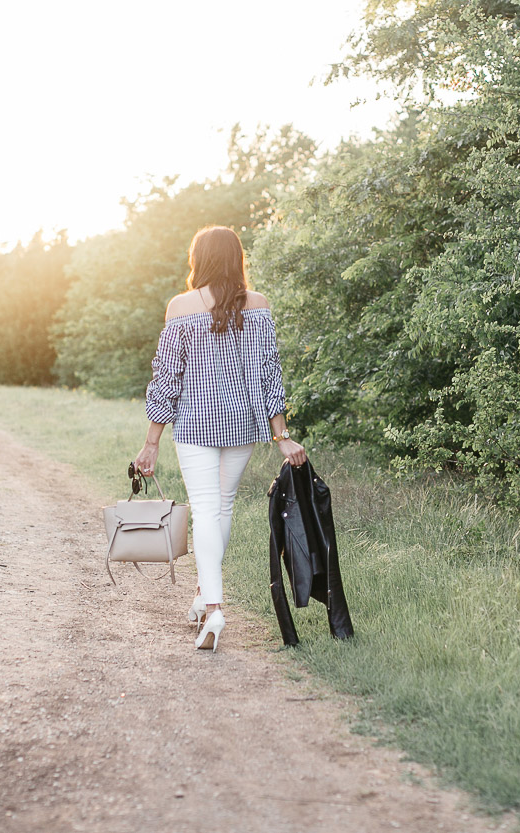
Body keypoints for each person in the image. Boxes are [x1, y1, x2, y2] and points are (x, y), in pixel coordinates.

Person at [134, 225, 306, 652]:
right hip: (243, 426)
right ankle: (201, 595)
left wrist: (152, 441)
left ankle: (213, 609)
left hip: (195, 426)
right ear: (236, 258)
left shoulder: (181, 306)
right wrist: (280, 434)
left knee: (207, 510)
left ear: (200, 259)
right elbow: (270, 375)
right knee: (220, 508)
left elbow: (166, 378)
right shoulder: (259, 306)